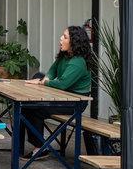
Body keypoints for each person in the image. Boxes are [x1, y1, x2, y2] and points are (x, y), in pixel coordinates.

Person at [23, 25, 93, 158]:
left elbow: (62, 84)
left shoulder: (78, 62)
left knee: (34, 108)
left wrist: (43, 82)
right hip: (62, 96)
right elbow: (52, 70)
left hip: (75, 102)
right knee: (26, 104)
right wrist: (45, 79)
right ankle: (34, 145)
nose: (60, 38)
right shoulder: (65, 56)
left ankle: (40, 147)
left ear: (74, 42)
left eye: (65, 37)